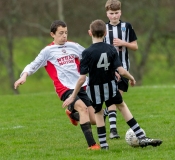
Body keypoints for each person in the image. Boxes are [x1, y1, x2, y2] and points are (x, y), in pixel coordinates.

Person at [63, 19, 162, 149]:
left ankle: (104, 145)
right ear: (105, 33)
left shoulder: (86, 53)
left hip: (94, 90)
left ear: (90, 33)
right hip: (110, 87)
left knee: (98, 113)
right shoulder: (111, 49)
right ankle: (141, 136)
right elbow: (120, 70)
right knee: (122, 106)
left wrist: (72, 96)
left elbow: (82, 79)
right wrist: (131, 77)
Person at [14, 20, 100, 150]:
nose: (64, 36)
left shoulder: (73, 46)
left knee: (94, 120)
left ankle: (73, 115)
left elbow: (90, 56)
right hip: (64, 88)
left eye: (66, 33)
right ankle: (92, 146)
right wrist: (24, 75)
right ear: (52, 34)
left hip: (81, 86)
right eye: (61, 33)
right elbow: (33, 64)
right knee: (83, 109)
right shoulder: (48, 51)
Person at [103, 0, 139, 139]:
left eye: (116, 13)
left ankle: (101, 114)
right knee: (113, 97)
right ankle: (113, 130)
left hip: (123, 67)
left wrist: (124, 43)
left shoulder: (127, 26)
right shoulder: (103, 28)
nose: (114, 16)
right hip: (108, 68)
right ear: (107, 13)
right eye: (111, 13)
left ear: (121, 12)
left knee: (117, 97)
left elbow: (135, 46)